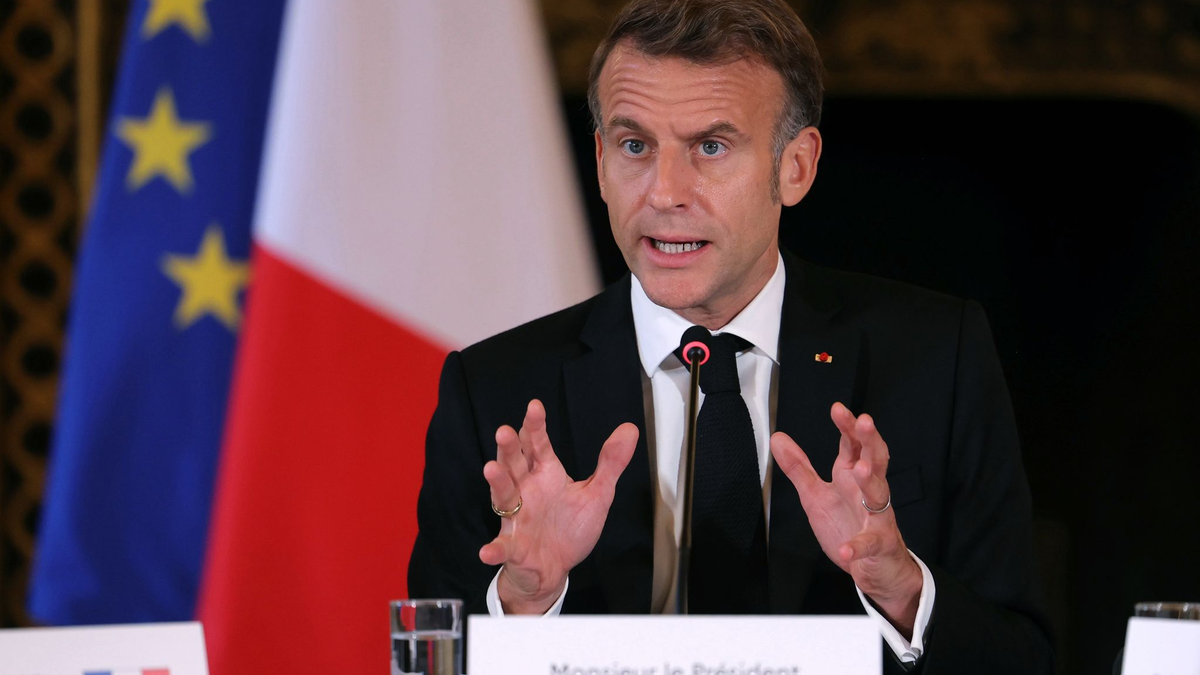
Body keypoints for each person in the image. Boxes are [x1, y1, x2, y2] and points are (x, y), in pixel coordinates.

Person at [408, 0, 1053, 672]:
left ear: (795, 166)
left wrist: (900, 588)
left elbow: (1024, 659)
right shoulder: (494, 392)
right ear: (600, 162)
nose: (664, 192)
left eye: (710, 147)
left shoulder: (935, 359)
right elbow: (427, 659)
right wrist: (523, 604)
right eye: (635, 146)